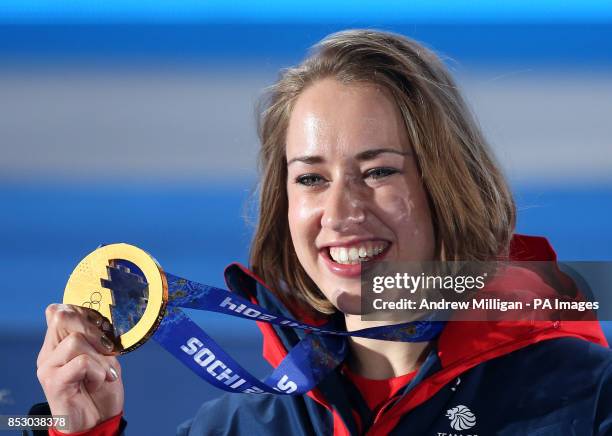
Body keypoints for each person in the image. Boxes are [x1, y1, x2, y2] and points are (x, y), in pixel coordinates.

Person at [33, 29, 612, 435]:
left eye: (379, 171)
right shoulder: (237, 427)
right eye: (310, 178)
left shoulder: (585, 400)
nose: (339, 210)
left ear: (447, 185)